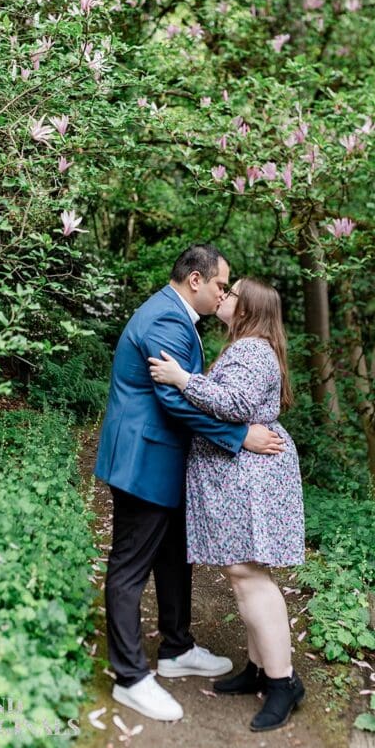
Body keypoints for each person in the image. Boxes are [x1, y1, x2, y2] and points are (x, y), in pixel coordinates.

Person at [94, 245, 285, 722]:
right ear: (196, 280)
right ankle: (130, 678)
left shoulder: (181, 319)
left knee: (176, 554)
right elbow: (175, 401)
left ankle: (176, 649)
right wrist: (239, 436)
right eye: (222, 284)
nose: (224, 292)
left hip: (166, 460)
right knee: (130, 565)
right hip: (143, 459)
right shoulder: (165, 319)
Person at [148, 276, 305, 732]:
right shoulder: (249, 347)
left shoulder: (252, 350)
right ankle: (260, 670)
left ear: (248, 307)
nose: (224, 295)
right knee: (249, 571)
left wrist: (182, 378)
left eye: (231, 292)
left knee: (247, 573)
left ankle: (283, 682)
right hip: (245, 475)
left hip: (252, 478)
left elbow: (233, 403)